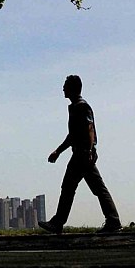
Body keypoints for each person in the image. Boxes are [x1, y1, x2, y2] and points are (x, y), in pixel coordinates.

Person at [38, 75, 122, 235]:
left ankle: (112, 221)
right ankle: (112, 220)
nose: (63, 89)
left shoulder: (81, 107)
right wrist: (58, 151)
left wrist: (89, 151)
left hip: (83, 155)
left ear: (72, 88)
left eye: (65, 86)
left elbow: (89, 129)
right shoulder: (75, 107)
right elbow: (72, 136)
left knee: (84, 188)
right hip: (80, 154)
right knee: (75, 188)